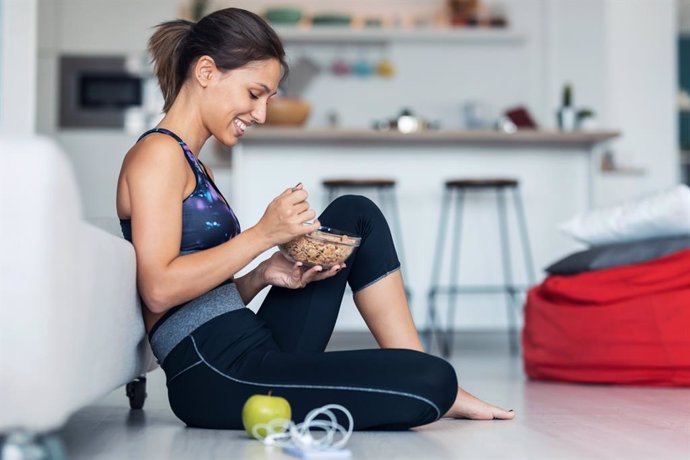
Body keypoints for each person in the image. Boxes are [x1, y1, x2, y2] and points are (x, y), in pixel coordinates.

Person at [116, 7, 514, 430]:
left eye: (268, 99)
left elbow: (198, 294)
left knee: (355, 213)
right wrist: (262, 235)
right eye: (255, 93)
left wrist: (262, 276)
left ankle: (429, 378)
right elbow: (158, 290)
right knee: (433, 380)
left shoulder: (192, 163)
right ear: (207, 72)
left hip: (246, 343)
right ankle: (439, 388)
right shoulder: (158, 155)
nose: (261, 114)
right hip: (210, 371)